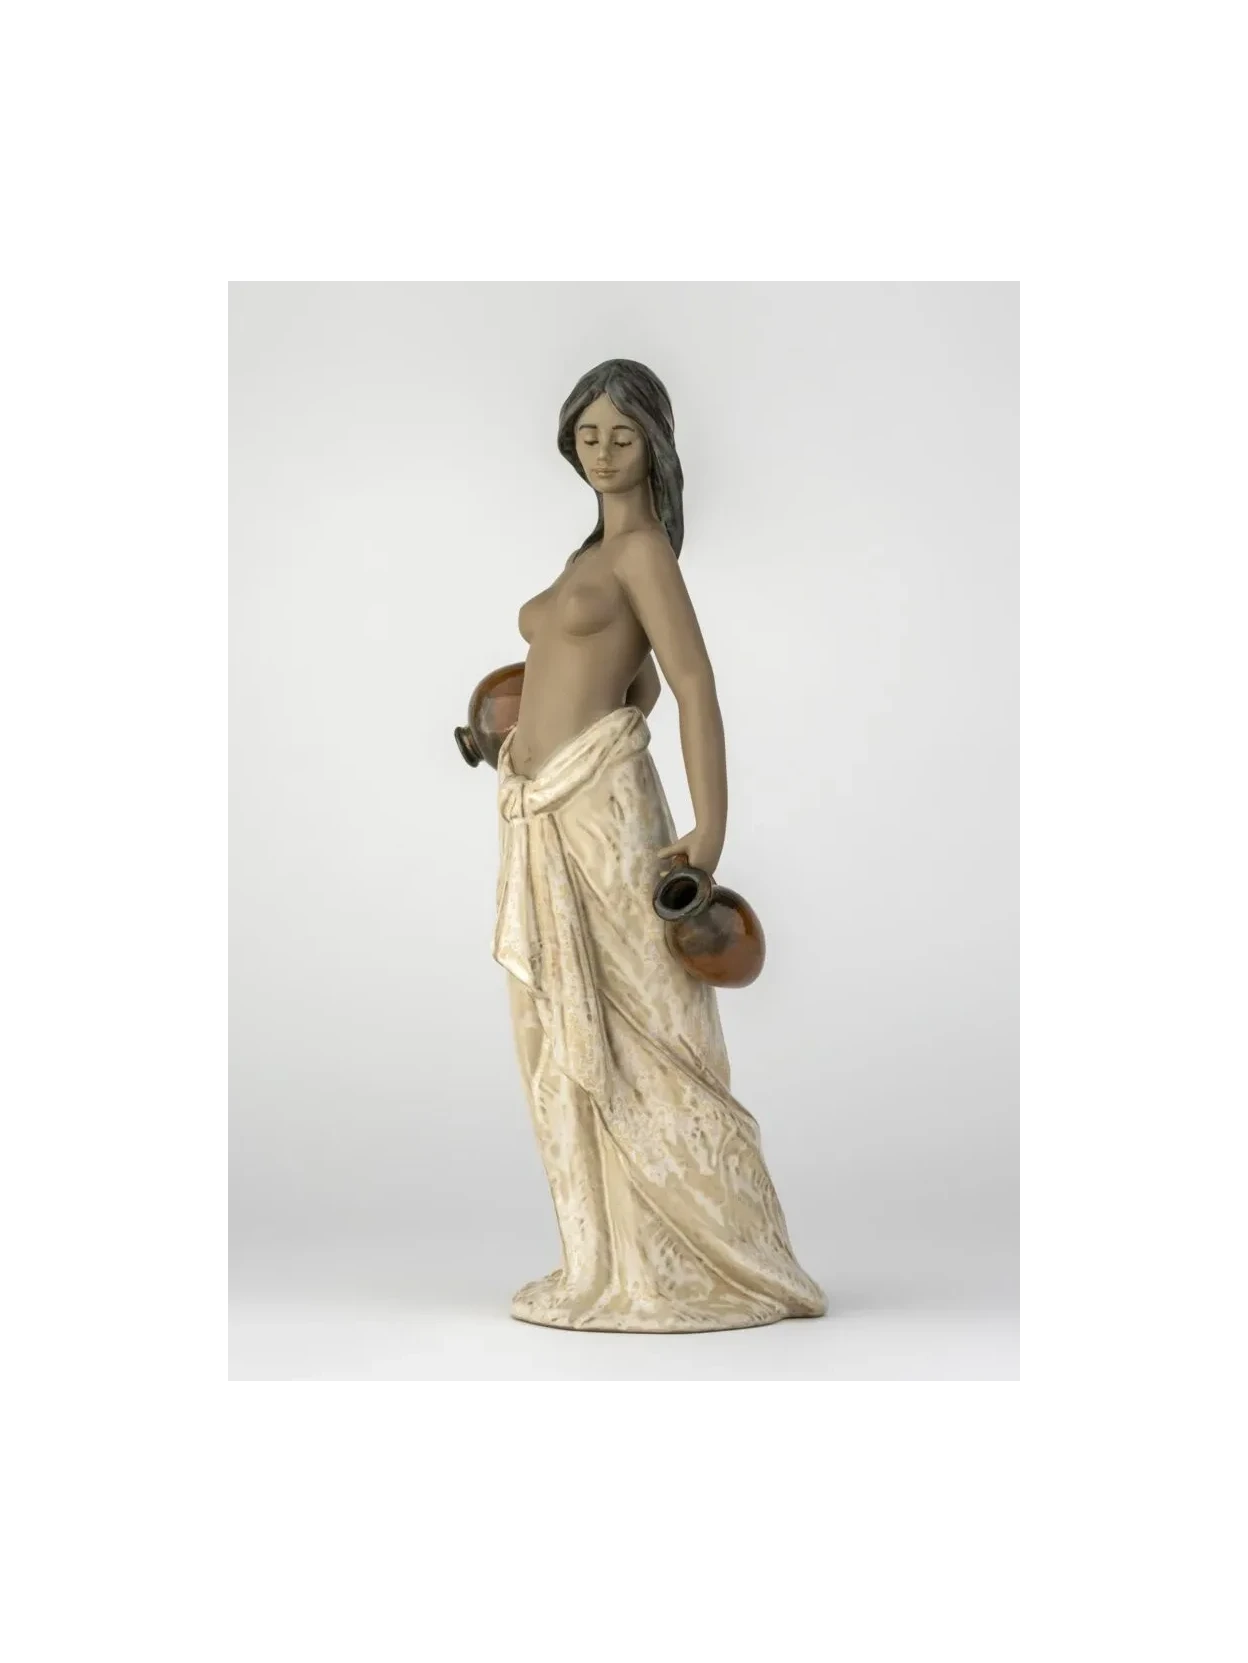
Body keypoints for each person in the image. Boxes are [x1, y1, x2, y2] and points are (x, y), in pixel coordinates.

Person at [493, 358, 826, 1333]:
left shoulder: (642, 552)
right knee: (562, 1024)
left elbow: (692, 682)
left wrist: (710, 828)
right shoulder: (589, 555)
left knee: (642, 1024)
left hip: (605, 815)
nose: (602, 451)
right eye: (588, 434)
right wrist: (506, 733)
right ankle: (603, 1256)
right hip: (540, 810)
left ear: (655, 446)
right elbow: (621, 682)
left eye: (622, 435)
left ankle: (710, 1257)